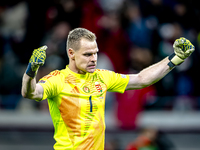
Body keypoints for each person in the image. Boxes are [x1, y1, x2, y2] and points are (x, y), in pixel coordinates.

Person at [21, 28, 194, 150]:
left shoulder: (102, 76)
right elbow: (30, 92)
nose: (94, 59)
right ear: (71, 53)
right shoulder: (57, 80)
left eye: (95, 53)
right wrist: (31, 71)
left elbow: (142, 79)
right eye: (87, 54)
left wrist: (175, 58)